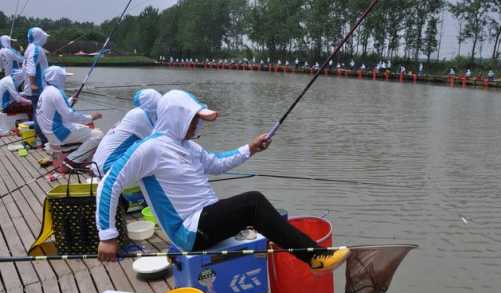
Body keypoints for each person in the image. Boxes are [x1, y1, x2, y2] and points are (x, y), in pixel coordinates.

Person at [95, 90, 350, 271]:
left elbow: (217, 163)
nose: (197, 125)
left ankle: (302, 251)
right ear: (177, 117)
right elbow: (109, 183)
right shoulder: (149, 148)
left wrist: (251, 148)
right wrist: (108, 236)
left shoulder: (188, 147)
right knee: (253, 202)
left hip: (205, 221)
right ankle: (315, 258)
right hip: (188, 232)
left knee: (257, 209)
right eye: (194, 119)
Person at [36, 66, 103, 168]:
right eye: (63, 77)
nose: (65, 79)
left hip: (50, 132)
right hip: (58, 133)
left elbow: (56, 109)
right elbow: (69, 115)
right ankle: (72, 160)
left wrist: (70, 100)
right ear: (56, 78)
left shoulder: (46, 91)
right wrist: (91, 117)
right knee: (98, 135)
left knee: (86, 128)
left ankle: (57, 156)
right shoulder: (56, 92)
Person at [92, 89, 162, 176]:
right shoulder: (139, 116)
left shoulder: (136, 113)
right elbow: (160, 143)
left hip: (101, 164)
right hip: (107, 166)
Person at [23, 27, 49, 144]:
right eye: (43, 36)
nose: (45, 38)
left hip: (34, 88)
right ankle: (44, 139)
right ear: (39, 36)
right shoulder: (35, 49)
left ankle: (40, 137)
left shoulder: (30, 47)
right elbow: (31, 66)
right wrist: (33, 84)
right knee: (40, 114)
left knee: (36, 112)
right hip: (38, 88)